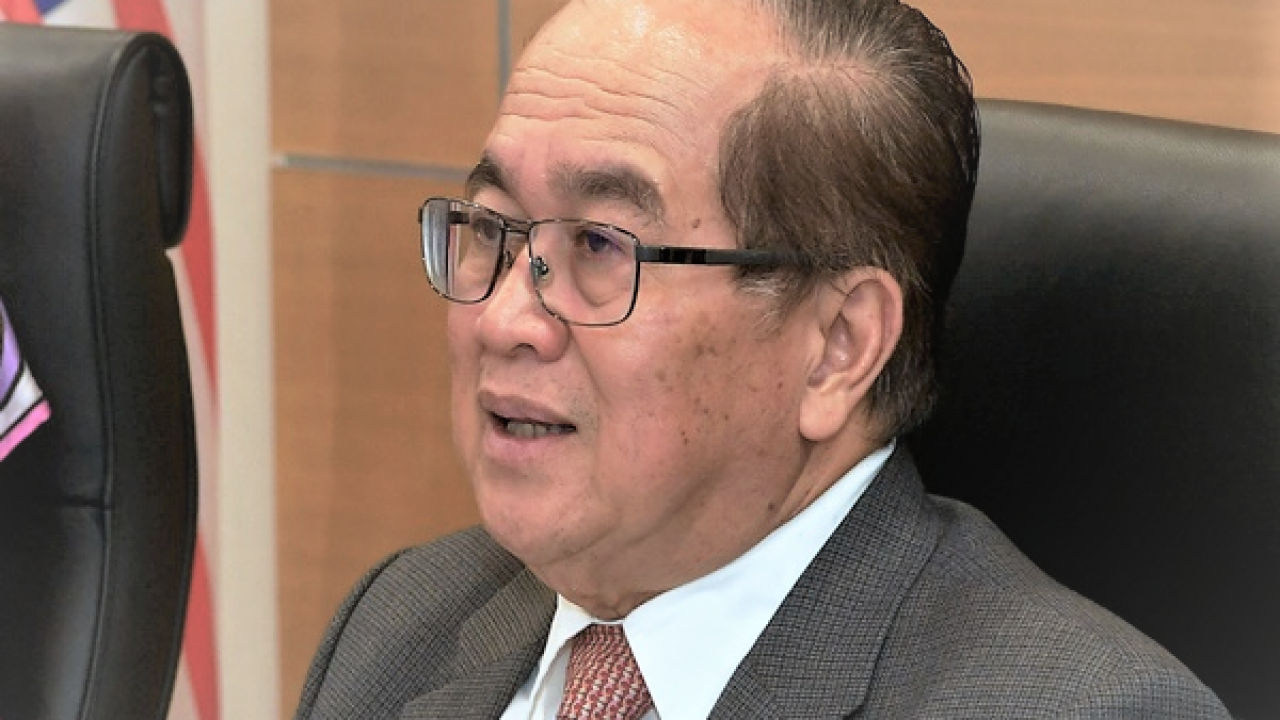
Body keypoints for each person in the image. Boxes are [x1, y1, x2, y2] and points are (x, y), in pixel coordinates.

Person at [294, 0, 1229, 717]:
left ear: (837, 348)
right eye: (494, 227)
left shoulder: (1080, 709)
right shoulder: (398, 629)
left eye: (601, 246)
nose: (504, 320)